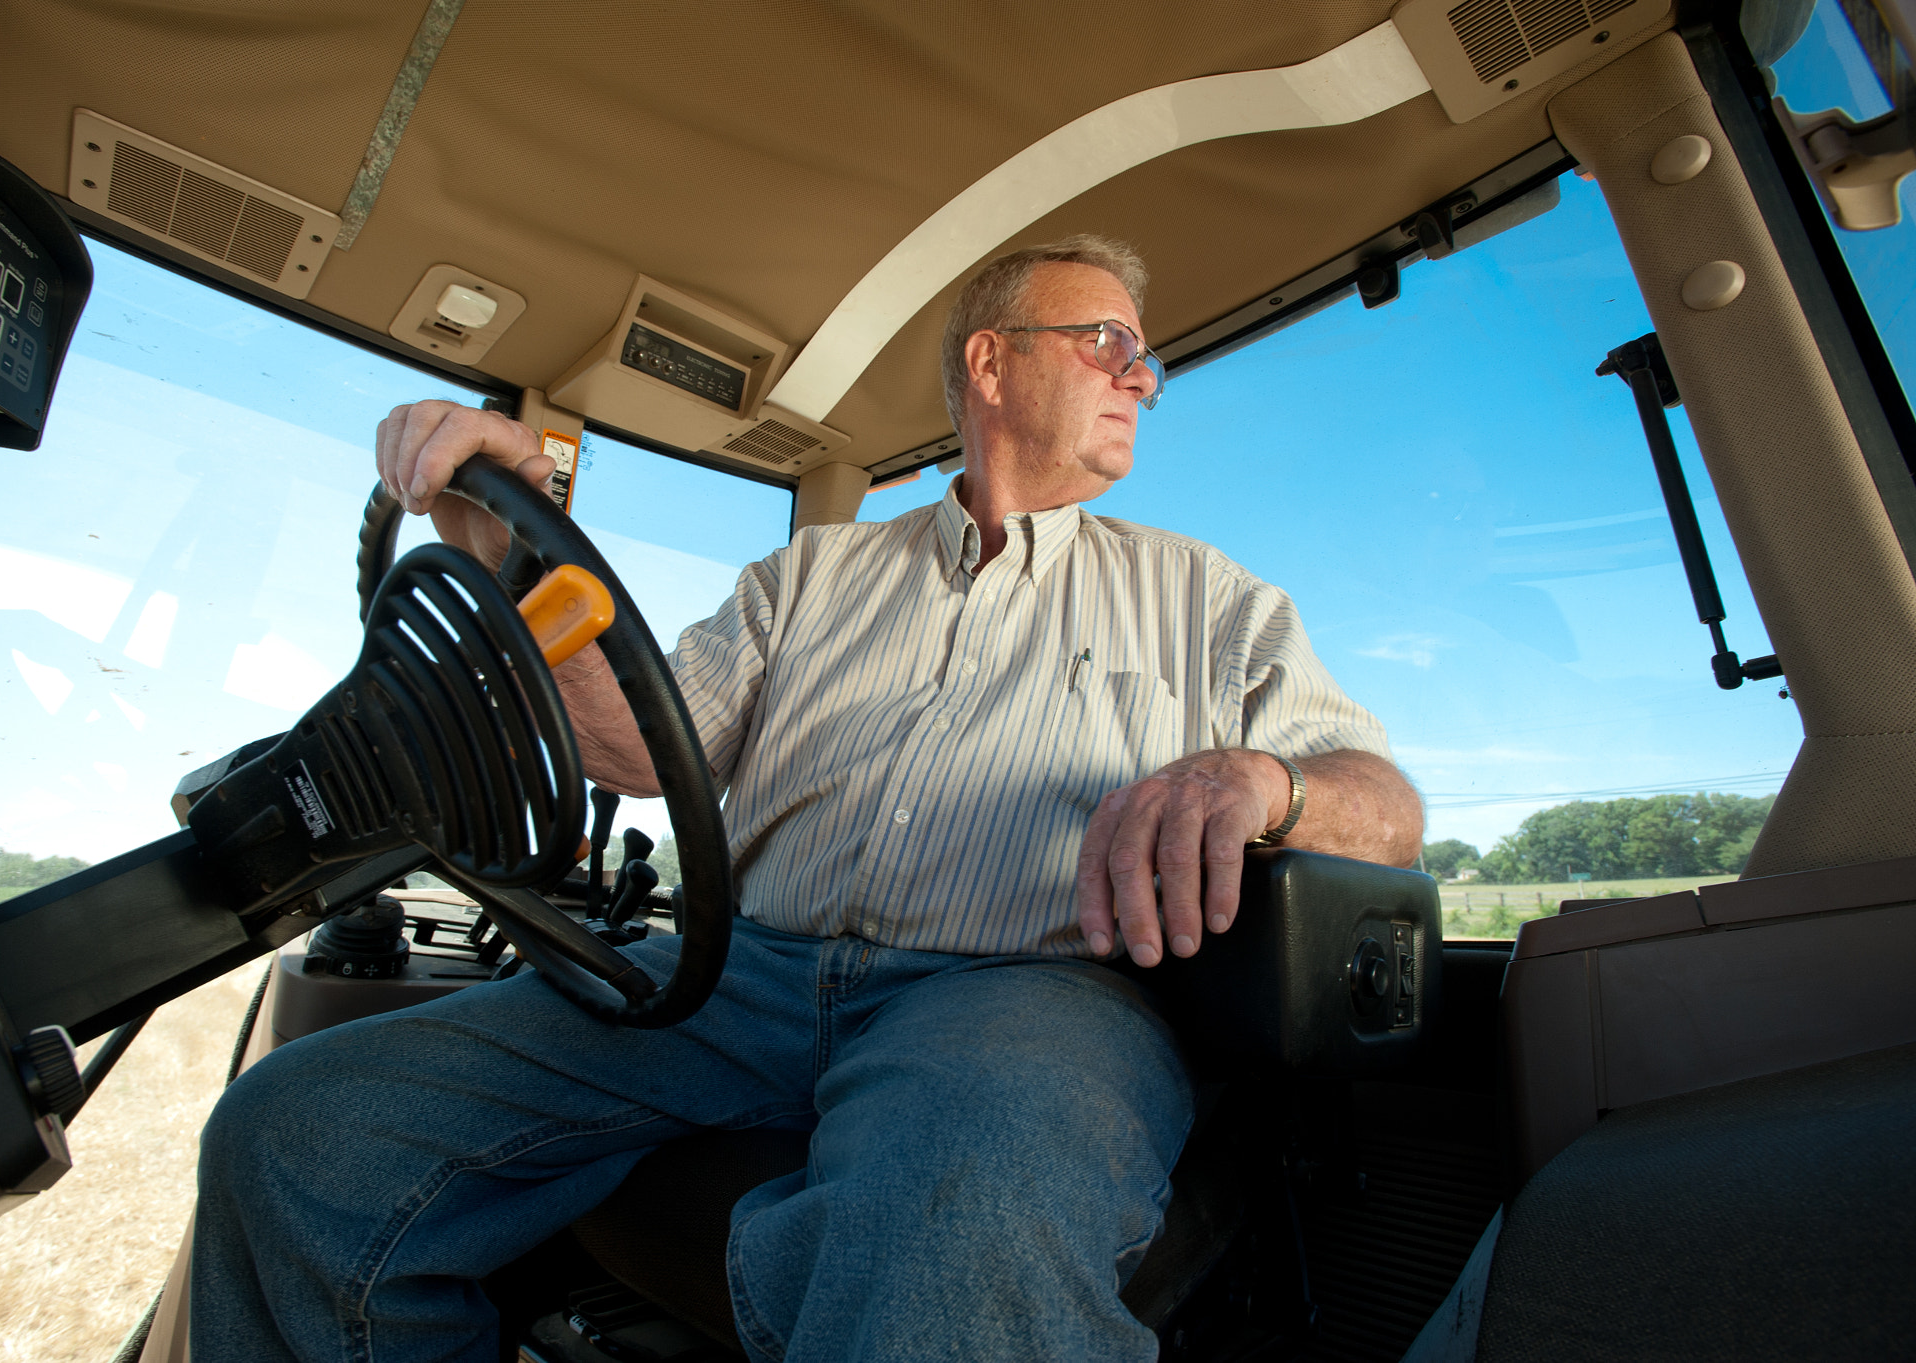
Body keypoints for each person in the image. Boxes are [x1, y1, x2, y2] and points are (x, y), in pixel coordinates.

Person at [192, 234, 1422, 1362]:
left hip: (1023, 992)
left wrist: (1262, 777)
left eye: (1145, 362)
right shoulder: (810, 575)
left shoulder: (1205, 596)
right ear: (990, 362)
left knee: (957, 1207)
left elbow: (1383, 807)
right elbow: (632, 746)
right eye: (1109, 343)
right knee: (297, 1133)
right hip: (740, 978)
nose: (1142, 379)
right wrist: (514, 555)